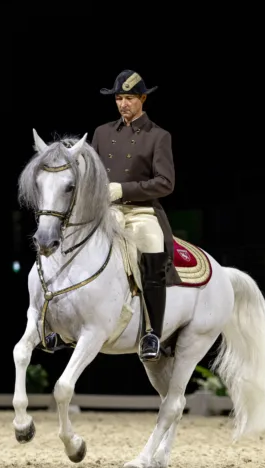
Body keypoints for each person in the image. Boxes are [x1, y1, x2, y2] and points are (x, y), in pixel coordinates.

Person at [91, 69, 180, 362]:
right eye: (118, 98)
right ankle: (56, 322)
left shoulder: (158, 136)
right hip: (106, 210)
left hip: (140, 211)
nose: (123, 104)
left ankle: (151, 332)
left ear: (142, 98)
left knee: (153, 246)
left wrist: (122, 189)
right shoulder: (102, 133)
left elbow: (165, 183)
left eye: (129, 97)